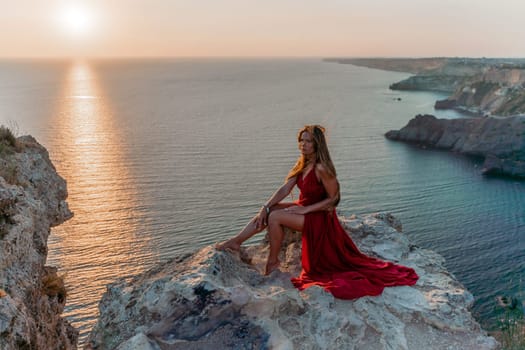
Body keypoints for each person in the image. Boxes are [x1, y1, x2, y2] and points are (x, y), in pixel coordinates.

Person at [216, 125, 418, 299]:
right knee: (270, 211)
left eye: (308, 141)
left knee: (275, 217)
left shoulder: (322, 168)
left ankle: (273, 262)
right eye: (301, 141)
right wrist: (265, 206)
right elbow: (285, 189)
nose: (303, 145)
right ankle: (237, 241)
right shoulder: (302, 163)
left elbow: (334, 199)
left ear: (317, 144)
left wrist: (305, 209)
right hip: (305, 209)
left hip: (321, 218)